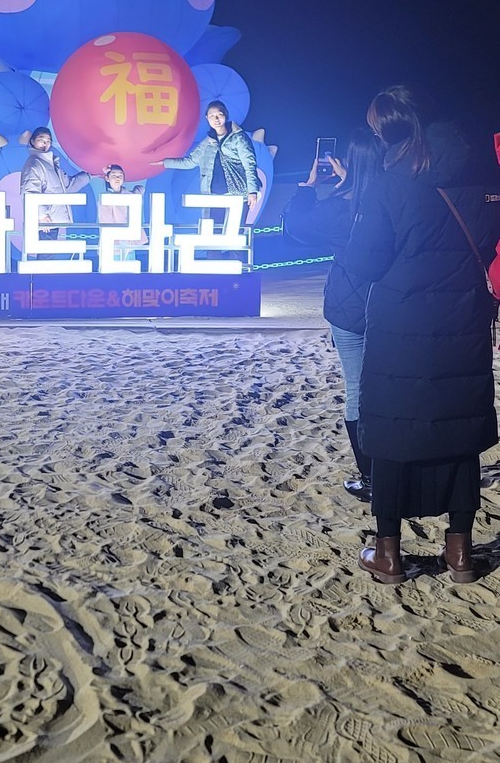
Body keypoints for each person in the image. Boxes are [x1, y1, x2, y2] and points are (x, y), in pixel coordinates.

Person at [344, 86, 500, 586]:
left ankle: (388, 554)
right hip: (464, 322)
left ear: (388, 132)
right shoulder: (482, 176)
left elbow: (365, 262)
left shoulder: (388, 184)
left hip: (401, 329)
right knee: (459, 432)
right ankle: (460, 553)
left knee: (392, 432)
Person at [283, 129, 384, 499]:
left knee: (357, 388)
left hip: (349, 308)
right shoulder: (394, 199)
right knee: (393, 386)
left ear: (349, 163)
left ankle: (371, 477)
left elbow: (296, 228)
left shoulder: (340, 205)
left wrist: (309, 187)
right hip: (392, 306)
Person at [163, 100, 261, 210]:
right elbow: (190, 162)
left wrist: (252, 191)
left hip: (238, 194)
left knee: (236, 221)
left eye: (220, 115)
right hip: (212, 195)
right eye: (212, 116)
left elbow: (249, 164)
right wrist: (164, 163)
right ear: (207, 118)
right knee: (213, 221)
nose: (216, 119)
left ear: (225, 115)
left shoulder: (238, 137)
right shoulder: (207, 142)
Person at [20, 127, 89, 236]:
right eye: (41, 140)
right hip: (44, 221)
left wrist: (89, 176)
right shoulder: (34, 164)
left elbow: (68, 186)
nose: (45, 143)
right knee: (44, 247)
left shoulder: (50, 164)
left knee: (48, 246)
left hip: (51, 218)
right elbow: (29, 192)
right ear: (32, 141)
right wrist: (41, 216)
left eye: (48, 141)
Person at [98, 163, 147, 259]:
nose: (117, 178)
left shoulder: (129, 195)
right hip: (113, 243)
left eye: (120, 176)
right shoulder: (105, 198)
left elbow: (141, 189)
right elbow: (106, 222)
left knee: (131, 264)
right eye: (114, 176)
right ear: (107, 178)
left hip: (129, 241)